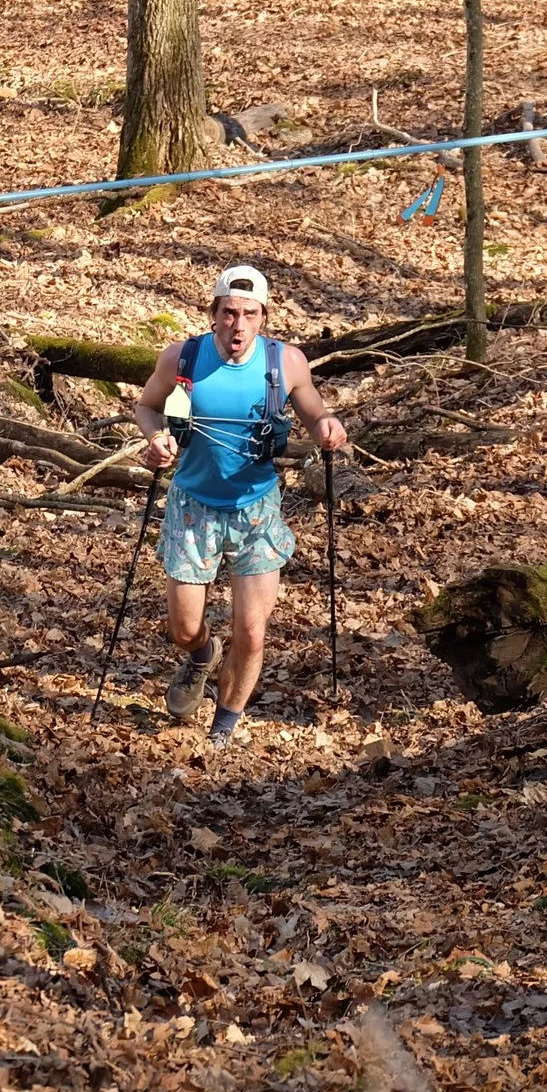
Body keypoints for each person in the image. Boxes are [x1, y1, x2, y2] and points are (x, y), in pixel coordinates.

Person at [132, 265, 348, 746]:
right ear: (213, 313)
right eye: (229, 313)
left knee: (251, 632)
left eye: (250, 314)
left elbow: (315, 412)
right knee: (184, 628)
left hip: (256, 510)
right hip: (193, 506)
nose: (238, 325)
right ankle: (201, 655)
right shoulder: (182, 357)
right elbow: (146, 406)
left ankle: (222, 728)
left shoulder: (285, 362)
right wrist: (156, 439)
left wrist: (328, 427)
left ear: (263, 317)